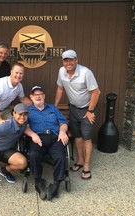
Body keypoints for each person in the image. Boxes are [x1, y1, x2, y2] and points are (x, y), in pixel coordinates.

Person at [54, 49, 101, 180]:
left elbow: (96, 92)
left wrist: (90, 111)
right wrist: (55, 106)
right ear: (63, 61)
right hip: (73, 109)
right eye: (66, 60)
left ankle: (86, 165)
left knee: (86, 138)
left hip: (87, 109)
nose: (68, 62)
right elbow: (60, 88)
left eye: (71, 60)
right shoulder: (61, 72)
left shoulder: (86, 73)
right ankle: (80, 160)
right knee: (77, 136)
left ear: (76, 60)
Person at [24, 86, 69, 201]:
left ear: (44, 96)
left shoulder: (53, 108)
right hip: (38, 138)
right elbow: (24, 127)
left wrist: (63, 131)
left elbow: (63, 122)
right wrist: (33, 135)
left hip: (55, 137)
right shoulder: (28, 111)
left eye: (40, 94)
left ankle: (56, 184)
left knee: (60, 156)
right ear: (31, 97)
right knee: (34, 155)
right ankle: (38, 181)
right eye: (35, 95)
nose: (38, 96)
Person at [0, 62, 32, 129]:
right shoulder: (0, 84)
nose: (18, 75)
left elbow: (23, 99)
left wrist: (35, 105)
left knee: (14, 127)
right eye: (16, 73)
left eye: (21, 73)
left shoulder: (19, 86)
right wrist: (0, 121)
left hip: (4, 110)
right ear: (11, 72)